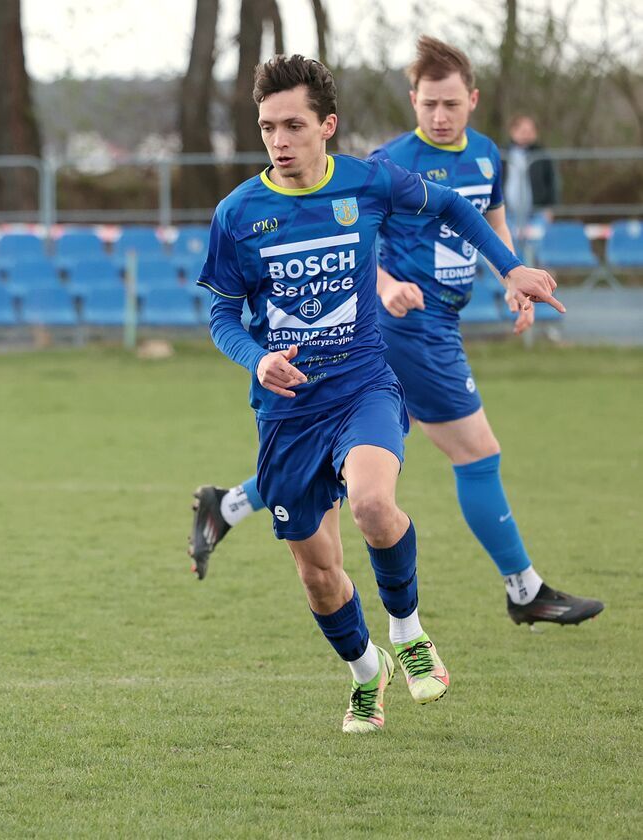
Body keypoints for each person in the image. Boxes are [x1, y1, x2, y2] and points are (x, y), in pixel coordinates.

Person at [193, 54, 563, 734]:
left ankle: (409, 633)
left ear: (327, 126)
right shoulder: (238, 213)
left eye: (294, 125)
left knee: (371, 503)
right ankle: (367, 672)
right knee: (318, 575)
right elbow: (221, 314)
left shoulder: (366, 182)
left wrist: (511, 267)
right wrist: (257, 357)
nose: (279, 141)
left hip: (364, 384)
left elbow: (453, 205)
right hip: (287, 413)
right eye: (268, 127)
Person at [502, 114, 560, 248]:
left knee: (536, 248)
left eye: (530, 131)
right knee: (508, 247)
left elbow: (552, 182)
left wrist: (550, 208)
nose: (526, 135)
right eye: (523, 131)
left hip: (536, 212)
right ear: (513, 131)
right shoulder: (501, 154)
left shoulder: (542, 155)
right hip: (506, 212)